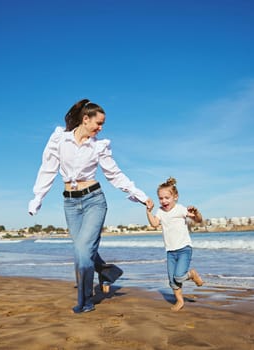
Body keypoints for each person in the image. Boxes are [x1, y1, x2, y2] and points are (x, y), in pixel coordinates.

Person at [29, 98, 153, 314]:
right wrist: (38, 197)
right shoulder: (60, 139)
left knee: (82, 251)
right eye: (99, 123)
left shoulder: (99, 147)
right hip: (70, 202)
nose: (101, 128)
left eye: (103, 124)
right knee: (81, 252)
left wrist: (139, 194)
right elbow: (48, 168)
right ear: (85, 119)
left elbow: (114, 175)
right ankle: (107, 271)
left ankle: (85, 301)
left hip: (94, 200)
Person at [145, 177, 204, 312]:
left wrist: (197, 213)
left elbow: (198, 220)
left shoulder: (180, 209)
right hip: (170, 251)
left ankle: (192, 274)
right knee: (172, 280)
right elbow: (154, 224)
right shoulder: (160, 211)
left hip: (184, 248)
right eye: (161, 198)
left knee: (179, 275)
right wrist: (148, 211)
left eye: (167, 197)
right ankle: (180, 301)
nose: (164, 201)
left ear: (175, 197)